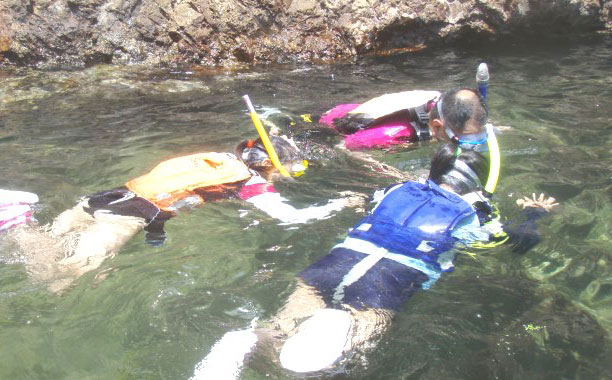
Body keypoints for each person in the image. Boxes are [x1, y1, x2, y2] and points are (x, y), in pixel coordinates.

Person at [190, 143, 558, 378]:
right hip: (387, 285)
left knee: (279, 327)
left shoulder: (396, 189)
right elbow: (516, 243)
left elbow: (375, 202)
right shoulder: (474, 214)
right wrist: (536, 215)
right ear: (477, 184)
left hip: (331, 266)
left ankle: (246, 341)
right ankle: (327, 353)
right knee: (354, 355)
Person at [4, 135, 365, 293]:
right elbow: (291, 218)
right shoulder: (250, 184)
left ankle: (17, 219)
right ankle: (17, 225)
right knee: (63, 279)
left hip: (106, 196)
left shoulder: (216, 159)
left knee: (47, 242)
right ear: (269, 166)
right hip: (130, 214)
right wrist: (340, 206)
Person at [318, 88, 491, 151]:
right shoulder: (391, 134)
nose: (471, 145)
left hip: (356, 109)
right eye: (463, 140)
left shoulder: (445, 103)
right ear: (437, 127)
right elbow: (346, 146)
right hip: (331, 124)